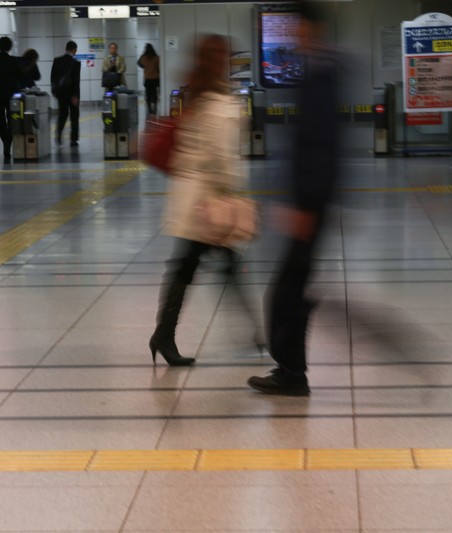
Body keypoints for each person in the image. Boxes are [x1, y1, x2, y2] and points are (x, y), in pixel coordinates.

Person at [248, 1, 341, 396]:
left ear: (313, 31)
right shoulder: (315, 74)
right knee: (289, 291)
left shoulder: (323, 77)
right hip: (307, 204)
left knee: (286, 293)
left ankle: (292, 373)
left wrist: (306, 206)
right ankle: (291, 370)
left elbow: (322, 148)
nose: (294, 36)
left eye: (299, 29)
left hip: (310, 206)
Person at [149, 34, 250, 367]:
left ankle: (166, 335)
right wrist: (231, 195)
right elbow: (222, 159)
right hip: (209, 203)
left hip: (192, 198)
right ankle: (165, 335)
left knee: (198, 265)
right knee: (195, 265)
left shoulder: (198, 94)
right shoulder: (220, 102)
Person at [0, 36, 23, 162]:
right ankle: (9, 143)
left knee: (1, 119)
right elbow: (19, 75)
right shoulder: (13, 60)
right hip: (11, 93)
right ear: (9, 47)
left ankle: (5, 144)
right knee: (12, 119)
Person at [50, 41, 81, 147]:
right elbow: (76, 81)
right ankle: (73, 139)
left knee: (62, 114)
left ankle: (58, 133)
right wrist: (75, 95)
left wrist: (54, 91)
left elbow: (53, 78)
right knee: (74, 115)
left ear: (66, 49)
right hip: (72, 94)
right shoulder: (76, 63)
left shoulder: (57, 61)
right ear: (74, 50)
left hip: (61, 93)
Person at [137, 44, 160, 117]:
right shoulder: (156, 57)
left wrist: (144, 67)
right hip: (155, 78)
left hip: (147, 78)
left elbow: (138, 63)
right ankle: (155, 109)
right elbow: (159, 67)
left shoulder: (143, 58)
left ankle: (150, 110)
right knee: (155, 93)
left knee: (148, 94)